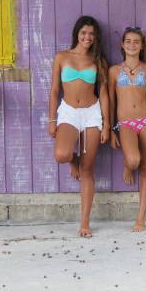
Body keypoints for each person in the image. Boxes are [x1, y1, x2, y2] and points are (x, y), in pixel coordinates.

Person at [48, 15, 110, 238]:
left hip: (92, 113)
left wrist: (106, 124)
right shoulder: (62, 57)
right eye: (84, 33)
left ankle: (85, 223)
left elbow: (103, 94)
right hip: (69, 112)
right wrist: (52, 119)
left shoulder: (98, 60)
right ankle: (73, 160)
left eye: (91, 34)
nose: (87, 37)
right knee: (62, 154)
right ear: (77, 33)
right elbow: (55, 91)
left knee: (87, 169)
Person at [109, 26, 146, 232]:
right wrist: (112, 128)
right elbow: (111, 102)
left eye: (136, 42)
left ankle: (141, 218)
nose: (132, 45)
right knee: (134, 160)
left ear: (142, 46)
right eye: (128, 41)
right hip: (125, 123)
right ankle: (127, 164)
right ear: (122, 45)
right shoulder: (114, 70)